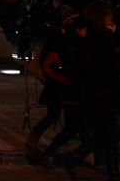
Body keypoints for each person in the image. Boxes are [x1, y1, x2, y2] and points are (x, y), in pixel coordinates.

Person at [68, 1, 120, 180]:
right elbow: (97, 66)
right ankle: (82, 154)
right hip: (101, 94)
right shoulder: (97, 38)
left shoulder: (98, 36)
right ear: (101, 18)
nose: (112, 18)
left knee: (106, 135)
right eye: (108, 16)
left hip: (99, 93)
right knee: (111, 134)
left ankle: (109, 170)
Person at [40, 12, 91, 170]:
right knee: (73, 127)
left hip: (71, 90)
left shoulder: (70, 41)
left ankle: (84, 156)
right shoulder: (72, 43)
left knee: (80, 129)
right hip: (72, 90)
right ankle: (58, 154)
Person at [25, 7, 71, 153]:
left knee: (65, 118)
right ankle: (43, 145)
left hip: (62, 82)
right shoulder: (58, 37)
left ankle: (39, 141)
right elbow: (47, 59)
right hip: (58, 82)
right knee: (55, 115)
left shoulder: (64, 36)